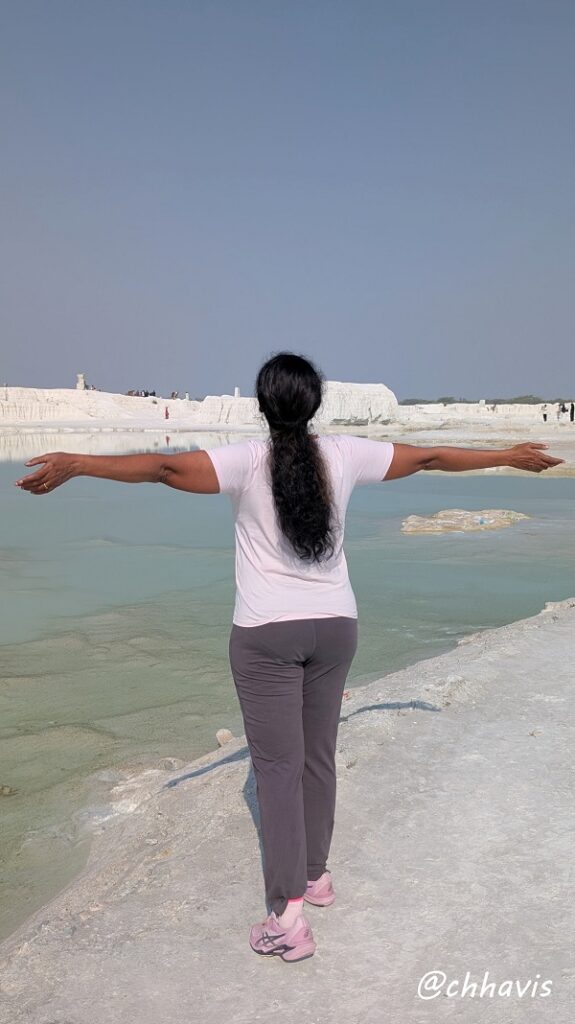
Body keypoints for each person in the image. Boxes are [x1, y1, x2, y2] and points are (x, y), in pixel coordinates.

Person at [14, 352, 564, 964]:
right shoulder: (346, 453)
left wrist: (78, 464)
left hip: (265, 635)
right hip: (336, 626)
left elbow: (165, 468)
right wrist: (509, 457)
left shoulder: (244, 460)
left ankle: (289, 918)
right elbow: (430, 456)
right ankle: (316, 876)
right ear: (315, 404)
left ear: (261, 405)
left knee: (277, 770)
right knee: (317, 756)